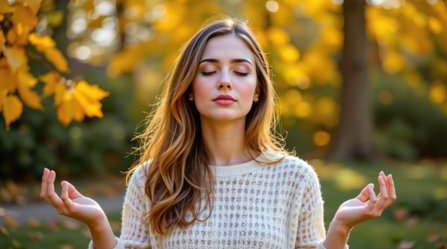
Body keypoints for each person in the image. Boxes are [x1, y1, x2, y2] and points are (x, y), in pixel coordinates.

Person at [40, 18, 396, 249]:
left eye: (241, 71)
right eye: (209, 70)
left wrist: (340, 228)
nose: (225, 80)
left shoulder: (295, 178)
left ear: (257, 90)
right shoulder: (152, 178)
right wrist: (98, 225)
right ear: (189, 88)